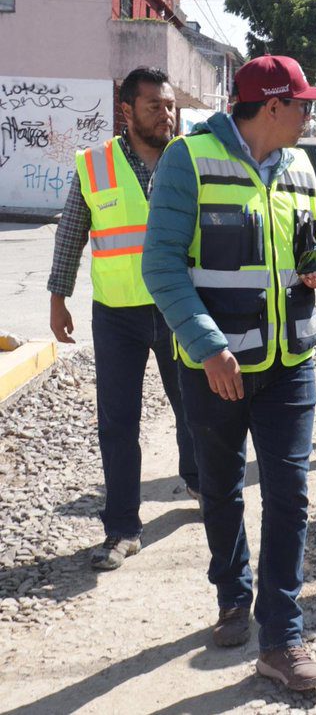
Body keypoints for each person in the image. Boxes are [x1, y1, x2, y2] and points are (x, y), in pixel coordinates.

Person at [143, 55, 316, 691]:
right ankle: (232, 592)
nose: (312, 113)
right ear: (273, 107)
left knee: (290, 494)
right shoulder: (187, 161)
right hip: (215, 369)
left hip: (290, 364)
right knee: (221, 487)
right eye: (304, 103)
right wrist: (206, 347)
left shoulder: (303, 165)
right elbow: (162, 266)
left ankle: (281, 638)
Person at [47, 67, 198, 571]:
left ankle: (197, 475)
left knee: (194, 408)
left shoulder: (192, 161)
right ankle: (122, 529)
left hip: (179, 308)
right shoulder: (94, 165)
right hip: (117, 314)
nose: (166, 114)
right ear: (127, 111)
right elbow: (71, 233)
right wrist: (57, 297)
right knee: (117, 423)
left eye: (170, 104)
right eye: (154, 105)